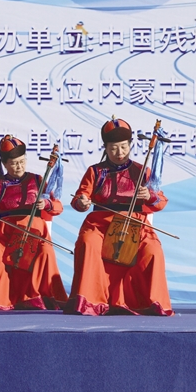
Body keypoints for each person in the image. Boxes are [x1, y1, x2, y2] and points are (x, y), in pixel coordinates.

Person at [66, 118, 173, 316]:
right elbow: (80, 197)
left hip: (135, 224)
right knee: (88, 242)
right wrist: (82, 201)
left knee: (153, 250)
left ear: (130, 145)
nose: (119, 152)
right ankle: (91, 300)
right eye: (113, 148)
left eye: (124, 147)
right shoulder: (95, 171)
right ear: (106, 148)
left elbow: (161, 201)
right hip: (100, 224)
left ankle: (148, 302)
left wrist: (149, 196)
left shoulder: (142, 171)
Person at [0, 136, 68, 311]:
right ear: (5, 164)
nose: (19, 166)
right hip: (5, 233)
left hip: (34, 231)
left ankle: (39, 297)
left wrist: (46, 204)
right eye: (14, 163)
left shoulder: (37, 180)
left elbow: (58, 206)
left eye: (22, 162)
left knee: (45, 252)